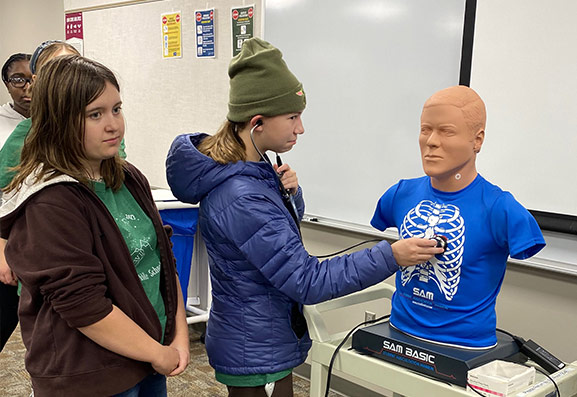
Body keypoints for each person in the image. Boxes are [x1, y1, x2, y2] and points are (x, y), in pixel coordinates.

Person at [166, 37, 442, 396]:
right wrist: (390, 256)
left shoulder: (249, 171)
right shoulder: (241, 195)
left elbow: (272, 237)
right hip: (255, 349)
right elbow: (307, 281)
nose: (300, 129)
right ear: (258, 123)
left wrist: (291, 196)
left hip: (262, 338)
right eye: (293, 117)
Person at [0, 55, 189, 396]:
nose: (113, 125)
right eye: (95, 114)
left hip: (146, 355)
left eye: (117, 109)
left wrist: (178, 335)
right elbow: (83, 304)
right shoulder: (50, 199)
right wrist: (158, 352)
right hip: (88, 372)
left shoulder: (128, 177)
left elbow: (163, 258)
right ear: (58, 121)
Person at [371, 85, 546, 349]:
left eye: (446, 131)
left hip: (464, 345)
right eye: (425, 129)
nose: (430, 141)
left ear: (477, 140)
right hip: (399, 332)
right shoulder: (399, 194)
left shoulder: (501, 209)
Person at [0, 52, 31, 352]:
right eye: (18, 79)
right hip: (6, 237)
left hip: (38, 236)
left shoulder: (53, 123)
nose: (26, 87)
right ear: (7, 84)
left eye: (32, 79)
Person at [0, 53, 32, 147]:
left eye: (35, 80)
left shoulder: (54, 120)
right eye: (18, 79)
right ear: (7, 85)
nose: (28, 87)